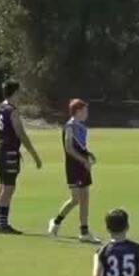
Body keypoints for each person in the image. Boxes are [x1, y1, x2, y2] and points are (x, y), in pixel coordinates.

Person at [0, 80, 42, 235]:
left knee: (2, 186)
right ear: (15, 92)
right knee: (8, 188)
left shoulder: (0, 108)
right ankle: (2, 224)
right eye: (19, 92)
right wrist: (34, 154)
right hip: (9, 153)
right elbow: (20, 133)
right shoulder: (12, 110)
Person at [49, 99, 101, 243]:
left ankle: (84, 231)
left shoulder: (82, 127)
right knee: (75, 199)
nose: (87, 114)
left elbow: (81, 147)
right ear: (77, 112)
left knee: (85, 198)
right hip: (74, 166)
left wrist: (88, 155)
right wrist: (83, 160)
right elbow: (69, 148)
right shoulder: (70, 126)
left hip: (83, 166)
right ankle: (56, 221)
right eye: (85, 111)